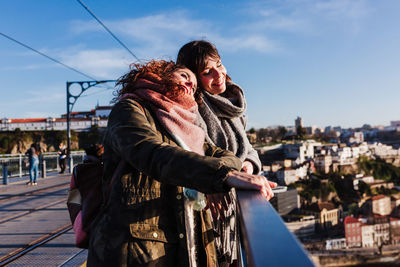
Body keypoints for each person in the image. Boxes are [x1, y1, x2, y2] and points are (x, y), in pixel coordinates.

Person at [87, 60, 275, 267]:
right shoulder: (129, 108)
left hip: (184, 246)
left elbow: (227, 156)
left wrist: (217, 175)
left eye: (194, 86)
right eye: (184, 76)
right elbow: (151, 152)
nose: (189, 85)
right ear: (160, 74)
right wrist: (221, 176)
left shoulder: (186, 126)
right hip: (134, 251)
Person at [177, 40, 263, 266]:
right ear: (194, 77)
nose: (219, 74)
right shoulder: (190, 109)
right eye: (208, 72)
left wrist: (247, 167)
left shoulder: (231, 106)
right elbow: (196, 154)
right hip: (207, 214)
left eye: (220, 65)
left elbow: (249, 151)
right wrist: (228, 172)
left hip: (232, 214)